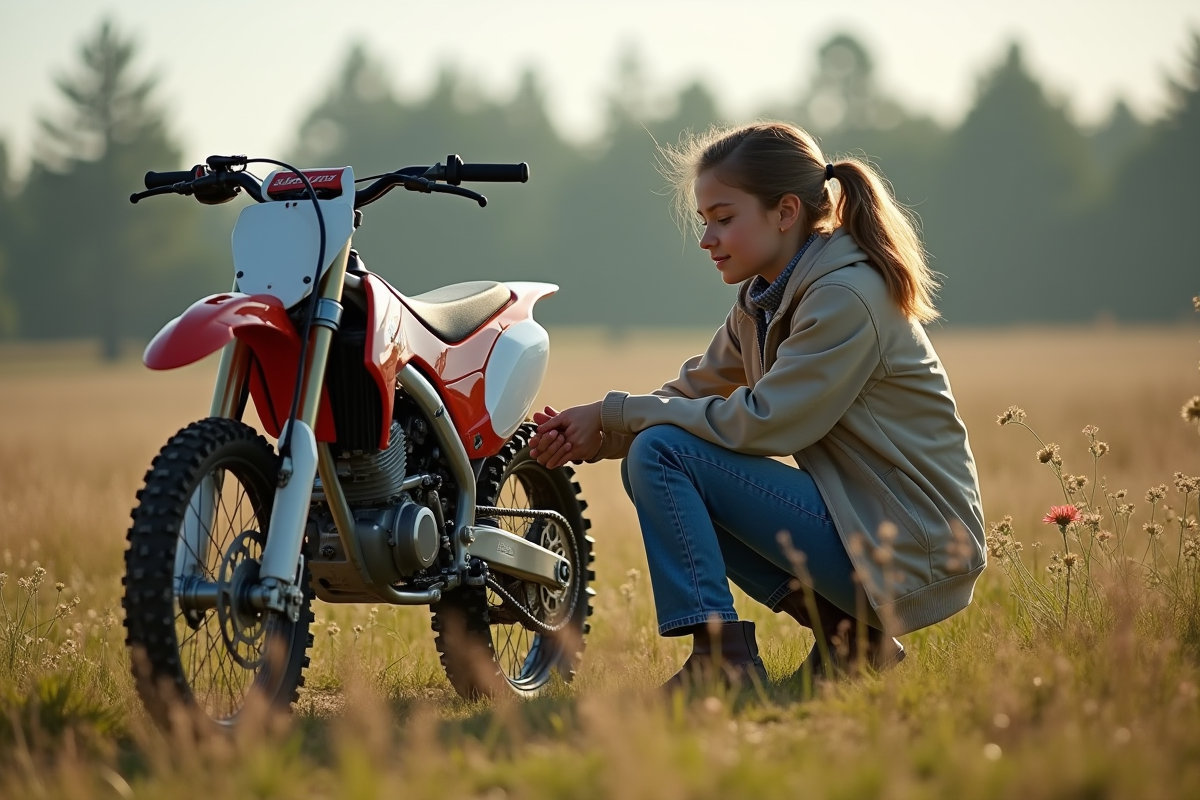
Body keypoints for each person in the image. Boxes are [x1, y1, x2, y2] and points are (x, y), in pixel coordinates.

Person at [529, 121, 986, 691]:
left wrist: (619, 415)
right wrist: (598, 427)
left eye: (724, 218)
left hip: (914, 547)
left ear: (785, 212)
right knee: (656, 458)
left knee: (662, 455)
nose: (707, 238)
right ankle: (854, 640)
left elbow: (766, 422)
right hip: (866, 528)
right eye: (704, 222)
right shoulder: (763, 299)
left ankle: (724, 662)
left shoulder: (844, 297)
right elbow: (692, 391)